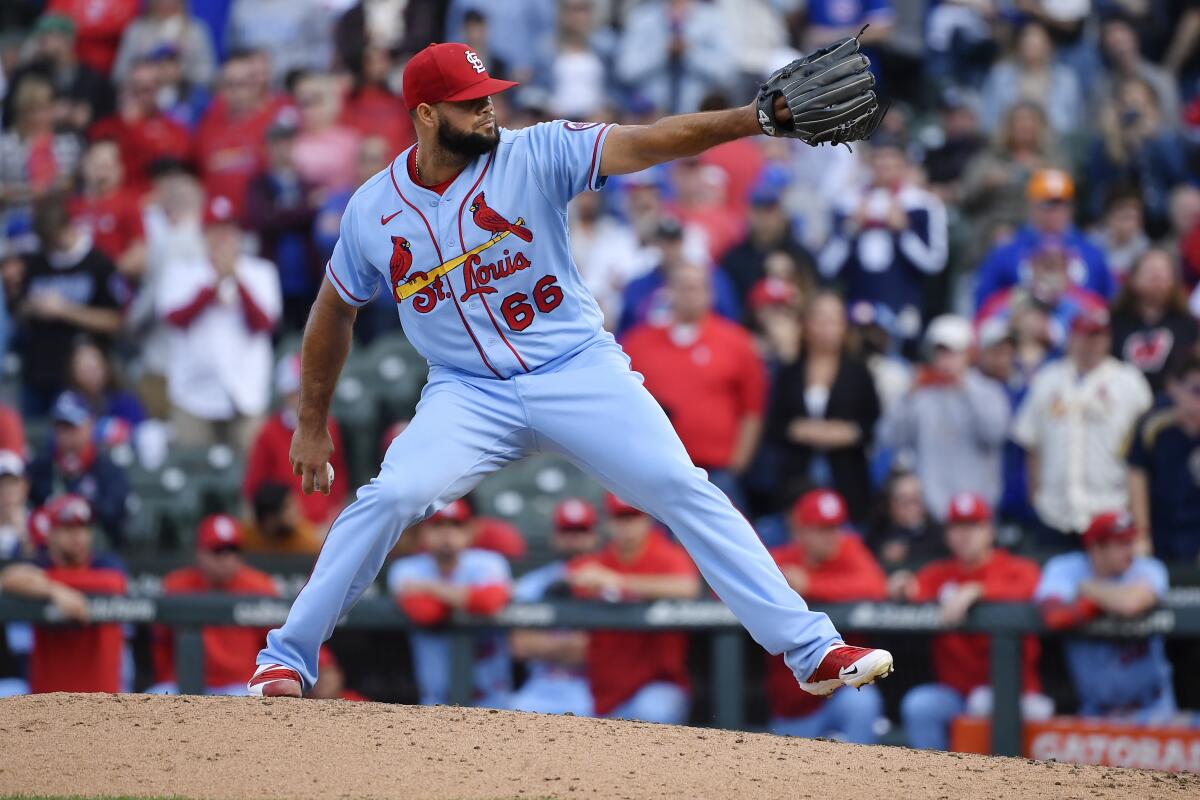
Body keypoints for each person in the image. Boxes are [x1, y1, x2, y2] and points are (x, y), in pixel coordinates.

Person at [250, 40, 894, 700]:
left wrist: (750, 120)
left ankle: (812, 648)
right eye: (471, 104)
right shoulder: (372, 209)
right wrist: (311, 420)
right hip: (466, 391)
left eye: (489, 96)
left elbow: (648, 143)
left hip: (575, 368)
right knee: (388, 497)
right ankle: (286, 658)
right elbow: (333, 311)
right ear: (424, 114)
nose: (489, 111)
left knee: (680, 485)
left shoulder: (535, 151)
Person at [893, 493, 1049, 751]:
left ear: (989, 530)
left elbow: (1033, 586)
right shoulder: (938, 574)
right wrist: (899, 585)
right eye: (957, 527)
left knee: (984, 703)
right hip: (956, 695)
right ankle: (931, 783)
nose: (964, 534)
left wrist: (979, 590)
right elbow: (909, 588)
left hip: (1012, 695)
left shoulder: (1017, 569)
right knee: (919, 705)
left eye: (972, 526)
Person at [623, 263, 767, 507]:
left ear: (710, 292)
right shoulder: (639, 343)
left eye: (697, 287)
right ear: (668, 291)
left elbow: (752, 409)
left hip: (717, 472)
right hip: (656, 469)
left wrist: (737, 464)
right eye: (683, 286)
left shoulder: (736, 342)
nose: (690, 293)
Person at [1012, 308, 1153, 548]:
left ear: (1108, 339)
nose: (1091, 343)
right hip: (1055, 511)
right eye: (1084, 335)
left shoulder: (1129, 381)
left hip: (1110, 507)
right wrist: (1036, 498)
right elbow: (1031, 444)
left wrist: (1139, 521)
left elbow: (1143, 451)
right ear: (1072, 337)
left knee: (1108, 582)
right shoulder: (1047, 379)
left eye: (1097, 335)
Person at [158, 195, 281, 450]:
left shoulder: (261, 272)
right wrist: (212, 287)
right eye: (216, 230)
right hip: (193, 395)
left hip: (247, 392)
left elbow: (264, 324)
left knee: (252, 476)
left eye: (228, 229)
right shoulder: (181, 273)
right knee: (193, 475)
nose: (223, 237)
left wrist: (237, 280)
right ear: (204, 234)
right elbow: (175, 319)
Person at [767, 490, 887, 743]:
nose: (832, 537)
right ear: (801, 531)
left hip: (841, 693)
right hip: (794, 704)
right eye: (822, 528)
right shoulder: (782, 560)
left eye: (835, 527)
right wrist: (779, 585)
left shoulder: (850, 551)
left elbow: (875, 587)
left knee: (863, 701)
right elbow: (721, 591)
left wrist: (810, 584)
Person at [567, 494, 700, 723]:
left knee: (652, 712)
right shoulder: (599, 561)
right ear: (607, 521)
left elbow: (688, 587)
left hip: (658, 683)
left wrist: (618, 582)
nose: (626, 526)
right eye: (619, 517)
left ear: (647, 518)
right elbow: (575, 578)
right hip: (602, 686)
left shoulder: (666, 555)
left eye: (632, 517)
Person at [1035, 511, 1178, 723]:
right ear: (1096, 548)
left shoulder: (1148, 567)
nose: (1130, 549)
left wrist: (1087, 590)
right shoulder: (1065, 568)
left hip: (1154, 710)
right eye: (1121, 543)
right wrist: (1107, 602)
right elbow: (1055, 615)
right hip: (1096, 713)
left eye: (1131, 540)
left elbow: (1130, 604)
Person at [819, 135, 948, 348]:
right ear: (869, 162)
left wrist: (904, 233)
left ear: (904, 164)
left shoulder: (924, 205)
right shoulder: (846, 204)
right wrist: (851, 230)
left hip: (904, 306)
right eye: (880, 159)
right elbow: (826, 265)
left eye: (892, 159)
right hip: (856, 308)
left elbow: (935, 263)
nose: (885, 166)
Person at [879, 315, 1011, 521]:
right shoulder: (921, 395)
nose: (945, 360)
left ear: (968, 354)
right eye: (940, 353)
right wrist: (908, 396)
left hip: (977, 510)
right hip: (932, 512)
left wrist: (966, 389)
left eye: (952, 353)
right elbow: (889, 438)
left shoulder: (988, 391)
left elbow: (994, 435)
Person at [765, 292, 881, 522]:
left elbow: (872, 424)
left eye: (833, 320)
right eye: (820, 319)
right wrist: (810, 431)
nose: (826, 328)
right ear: (806, 325)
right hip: (798, 477)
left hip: (846, 477)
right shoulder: (790, 372)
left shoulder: (859, 373)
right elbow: (775, 424)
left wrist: (843, 433)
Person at [386, 499, 513, 707]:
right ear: (423, 532)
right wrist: (468, 599)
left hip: (494, 700)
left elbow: (490, 602)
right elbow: (426, 612)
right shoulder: (406, 569)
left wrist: (430, 588)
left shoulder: (490, 563)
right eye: (438, 526)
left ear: (471, 531)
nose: (447, 534)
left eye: (456, 525)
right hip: (436, 702)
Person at [12, 193, 123, 414]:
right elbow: (18, 308)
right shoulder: (36, 263)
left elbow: (114, 321)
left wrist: (65, 310)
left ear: (67, 227)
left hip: (82, 379)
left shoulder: (99, 263)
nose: (51, 246)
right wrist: (34, 307)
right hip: (38, 372)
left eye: (54, 238)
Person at [5, 495, 127, 693]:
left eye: (83, 528)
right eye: (68, 528)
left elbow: (115, 583)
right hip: (47, 701)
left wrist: (45, 584)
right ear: (51, 533)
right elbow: (8, 579)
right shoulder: (41, 565)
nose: (78, 536)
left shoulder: (106, 563)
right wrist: (55, 591)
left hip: (102, 699)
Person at [151, 514, 279, 695]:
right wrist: (168, 677)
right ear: (200, 553)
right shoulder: (176, 586)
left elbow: (277, 646)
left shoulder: (260, 586)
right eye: (217, 551)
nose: (226, 558)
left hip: (242, 684)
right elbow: (160, 645)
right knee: (156, 694)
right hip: (184, 685)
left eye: (232, 550)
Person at [973, 169, 1114, 312]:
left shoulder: (1092, 253)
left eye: (1060, 204)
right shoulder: (1006, 252)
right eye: (1047, 205)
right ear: (1031, 206)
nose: (1053, 213)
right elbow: (984, 305)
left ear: (1071, 208)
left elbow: (1107, 302)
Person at [508, 498, 598, 716]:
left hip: (593, 687)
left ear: (594, 536)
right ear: (555, 536)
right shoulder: (531, 584)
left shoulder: (608, 580)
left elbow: (606, 652)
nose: (574, 539)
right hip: (541, 685)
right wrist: (575, 646)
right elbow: (520, 646)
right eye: (567, 532)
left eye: (581, 531)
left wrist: (547, 646)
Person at [243, 354, 348, 534]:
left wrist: (333, 512)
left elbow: (339, 476)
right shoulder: (268, 433)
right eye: (296, 392)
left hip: (324, 524)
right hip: (286, 530)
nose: (302, 398)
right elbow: (254, 486)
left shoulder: (330, 426)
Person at [244, 111, 321, 332]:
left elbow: (275, 218)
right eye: (276, 143)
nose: (282, 149)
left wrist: (280, 211)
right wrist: (304, 210)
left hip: (307, 276)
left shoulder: (308, 184)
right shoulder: (258, 185)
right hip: (273, 274)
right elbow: (263, 220)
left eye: (287, 142)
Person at [1085, 77, 1189, 235]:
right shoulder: (1104, 142)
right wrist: (1118, 142)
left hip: (1159, 220)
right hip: (1115, 220)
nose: (1133, 110)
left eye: (1140, 103)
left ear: (1152, 108)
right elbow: (1099, 183)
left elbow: (1178, 175)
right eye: (1127, 103)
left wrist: (1154, 141)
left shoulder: (1165, 139)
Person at [28, 392, 129, 548]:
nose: (66, 435)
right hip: (46, 553)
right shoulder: (40, 467)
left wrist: (73, 505)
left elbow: (114, 514)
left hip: (97, 554)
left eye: (72, 427)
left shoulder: (108, 470)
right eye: (60, 428)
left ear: (89, 426)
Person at [195, 51, 288, 219]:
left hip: (260, 219)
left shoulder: (275, 122)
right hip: (216, 222)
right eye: (229, 85)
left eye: (242, 84)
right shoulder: (208, 124)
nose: (235, 92)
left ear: (256, 86)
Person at [1126, 355, 1200, 561]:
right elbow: (1137, 477)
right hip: (1161, 531)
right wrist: (1141, 534)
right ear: (1173, 387)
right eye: (1196, 390)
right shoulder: (1153, 427)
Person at [88, 60, 193, 191]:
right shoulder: (105, 128)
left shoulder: (175, 130)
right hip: (116, 201)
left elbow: (177, 166)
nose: (142, 95)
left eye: (148, 89)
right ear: (125, 88)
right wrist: (129, 125)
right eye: (136, 87)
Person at [720, 172, 816, 314]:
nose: (765, 218)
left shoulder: (801, 256)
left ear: (781, 214)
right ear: (749, 213)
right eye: (759, 210)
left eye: (770, 210)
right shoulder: (734, 258)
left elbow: (815, 298)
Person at [614, 0, 733, 115]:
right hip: (650, 117)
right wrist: (662, 52)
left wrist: (690, 52)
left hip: (698, 115)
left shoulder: (713, 18)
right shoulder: (643, 17)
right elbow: (626, 70)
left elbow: (726, 73)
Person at [1109, 248, 1199, 395]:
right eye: (1150, 271)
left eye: (1164, 272)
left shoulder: (1187, 324)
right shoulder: (1115, 322)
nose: (1157, 277)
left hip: (1170, 403)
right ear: (1133, 278)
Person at [980, 21, 1081, 137]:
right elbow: (988, 120)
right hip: (1008, 144)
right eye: (1027, 43)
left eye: (1036, 44)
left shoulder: (1066, 80)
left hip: (1054, 144)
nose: (1031, 48)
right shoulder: (1000, 76)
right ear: (1018, 46)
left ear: (1048, 46)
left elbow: (1073, 124)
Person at [68, 138, 146, 278]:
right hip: (75, 279)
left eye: (108, 166)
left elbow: (139, 251)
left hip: (112, 280)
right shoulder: (70, 206)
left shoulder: (129, 204)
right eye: (97, 165)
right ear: (84, 166)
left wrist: (107, 274)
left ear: (119, 169)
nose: (102, 173)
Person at [112, 0, 217, 89]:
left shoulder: (196, 31)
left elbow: (210, 75)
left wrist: (182, 73)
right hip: (144, 99)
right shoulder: (137, 30)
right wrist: (147, 75)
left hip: (186, 100)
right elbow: (119, 74)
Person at [240, 482, 324, 556]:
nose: (296, 511)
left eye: (295, 504)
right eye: (288, 507)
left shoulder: (307, 542)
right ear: (269, 518)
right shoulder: (245, 539)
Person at [0, 452, 33, 559]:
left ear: (24, 487)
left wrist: (23, 534)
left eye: (12, 484)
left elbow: (37, 561)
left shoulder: (35, 520)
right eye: (2, 485)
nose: (7, 491)